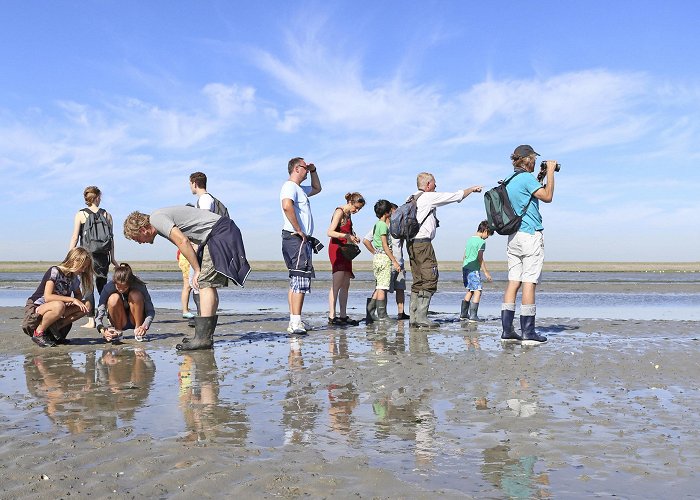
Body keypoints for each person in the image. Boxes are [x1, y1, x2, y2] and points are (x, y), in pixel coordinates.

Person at [123, 205, 250, 351]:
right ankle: (204, 336)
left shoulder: (156, 219)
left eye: (136, 238)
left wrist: (196, 269)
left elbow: (182, 241)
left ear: (142, 230)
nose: (139, 242)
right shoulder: (159, 222)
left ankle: (203, 338)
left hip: (218, 233)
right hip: (219, 233)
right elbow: (184, 242)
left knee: (205, 283)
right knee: (207, 283)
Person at [406, 172, 483, 328]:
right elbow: (455, 196)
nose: (436, 186)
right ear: (428, 185)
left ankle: (414, 318)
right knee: (430, 278)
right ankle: (421, 317)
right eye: (434, 184)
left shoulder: (411, 197)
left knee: (418, 280)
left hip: (411, 244)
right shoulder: (427, 197)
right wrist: (471, 189)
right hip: (423, 244)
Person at [500, 145, 557, 344]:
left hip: (513, 236)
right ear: (527, 159)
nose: (535, 162)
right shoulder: (526, 178)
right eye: (533, 159)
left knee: (513, 281)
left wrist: (539, 177)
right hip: (530, 234)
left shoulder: (509, 180)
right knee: (529, 283)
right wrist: (550, 172)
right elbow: (548, 196)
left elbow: (527, 195)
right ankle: (528, 332)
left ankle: (507, 331)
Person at [280, 157, 322, 335]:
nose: (307, 170)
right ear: (297, 168)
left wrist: (313, 170)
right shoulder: (289, 186)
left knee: (296, 280)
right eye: (305, 167)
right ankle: (295, 322)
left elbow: (317, 188)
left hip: (299, 239)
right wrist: (299, 229)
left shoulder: (299, 189)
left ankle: (294, 319)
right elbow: (286, 205)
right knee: (300, 279)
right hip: (296, 238)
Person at [22, 247, 93, 347]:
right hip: (37, 309)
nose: (83, 270)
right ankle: (38, 333)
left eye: (85, 268)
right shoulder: (55, 271)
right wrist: (71, 299)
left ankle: (55, 331)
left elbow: (78, 295)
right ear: (74, 261)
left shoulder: (74, 278)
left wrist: (76, 300)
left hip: (57, 309)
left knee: (87, 305)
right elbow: (48, 297)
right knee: (59, 305)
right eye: (83, 267)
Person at [69, 186, 118, 329]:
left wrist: (70, 255)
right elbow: (111, 239)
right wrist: (113, 258)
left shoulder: (80, 214)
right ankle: (108, 317)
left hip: (86, 255)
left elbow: (74, 236)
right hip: (103, 256)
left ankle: (91, 320)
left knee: (87, 287)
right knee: (103, 287)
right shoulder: (107, 215)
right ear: (97, 197)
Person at [362, 202, 410, 320]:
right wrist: (376, 252)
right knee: (382, 287)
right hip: (388, 261)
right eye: (394, 211)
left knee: (399, 288)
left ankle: (400, 313)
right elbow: (366, 240)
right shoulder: (382, 226)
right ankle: (378, 314)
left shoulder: (399, 226)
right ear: (389, 212)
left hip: (398, 262)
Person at [327, 192, 366, 326]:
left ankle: (343, 316)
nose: (357, 211)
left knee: (345, 285)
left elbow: (347, 231)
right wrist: (346, 236)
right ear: (350, 203)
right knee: (336, 284)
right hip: (337, 249)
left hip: (346, 250)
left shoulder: (348, 214)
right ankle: (332, 316)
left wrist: (353, 236)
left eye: (359, 209)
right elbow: (330, 232)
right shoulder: (340, 211)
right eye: (356, 208)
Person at [96, 263, 156, 343]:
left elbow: (150, 311)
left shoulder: (139, 286)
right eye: (118, 287)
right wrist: (102, 329)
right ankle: (118, 331)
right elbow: (100, 311)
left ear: (130, 283)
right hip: (119, 320)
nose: (121, 290)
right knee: (113, 298)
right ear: (114, 282)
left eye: (124, 287)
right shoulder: (108, 287)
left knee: (135, 295)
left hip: (135, 319)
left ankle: (138, 331)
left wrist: (145, 326)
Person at [460, 220, 494, 322]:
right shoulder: (481, 242)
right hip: (474, 269)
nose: (487, 237)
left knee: (470, 290)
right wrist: (486, 272)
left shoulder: (469, 240)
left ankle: (463, 314)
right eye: (488, 234)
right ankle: (473, 316)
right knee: (478, 291)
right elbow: (480, 258)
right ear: (485, 230)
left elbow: (464, 255)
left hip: (465, 268)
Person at [177, 249, 194, 319]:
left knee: (187, 286)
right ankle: (185, 311)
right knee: (187, 286)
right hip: (187, 256)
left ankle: (185, 310)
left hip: (184, 256)